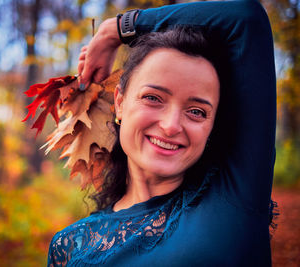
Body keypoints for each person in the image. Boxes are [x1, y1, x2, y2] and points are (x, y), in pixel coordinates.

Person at [47, 0, 277, 266]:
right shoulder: (71, 247)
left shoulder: (236, 196)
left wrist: (117, 29)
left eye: (197, 111)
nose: (171, 126)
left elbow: (246, 18)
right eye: (153, 98)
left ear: (212, 125)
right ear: (120, 101)